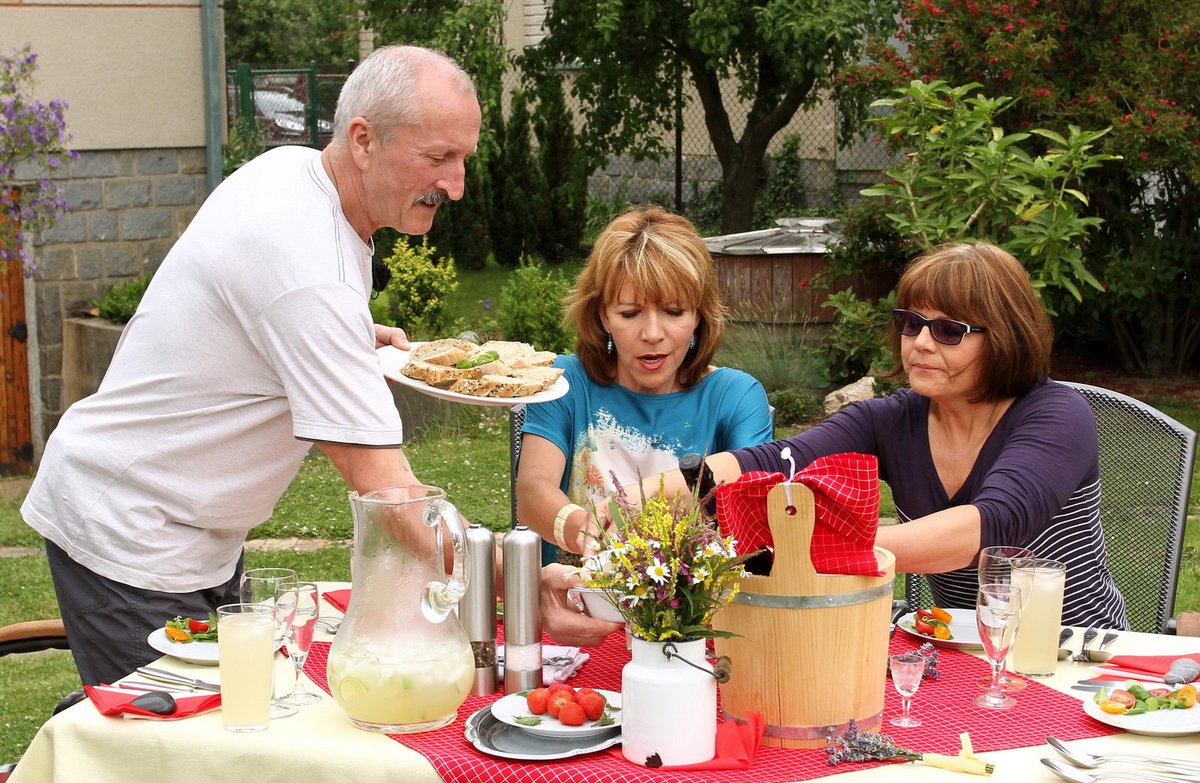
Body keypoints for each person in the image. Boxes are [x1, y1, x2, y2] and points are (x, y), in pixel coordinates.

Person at [22, 45, 616, 687]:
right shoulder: (308, 271)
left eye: (463, 157)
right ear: (363, 139)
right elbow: (394, 499)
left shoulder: (295, 172)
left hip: (193, 536)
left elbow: (258, 320)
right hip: (130, 534)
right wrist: (518, 579)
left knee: (229, 725)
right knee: (170, 754)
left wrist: (350, 337)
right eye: (438, 157)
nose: (456, 185)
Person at [634, 241, 1129, 629]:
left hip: (1075, 651)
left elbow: (984, 530)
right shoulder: (892, 419)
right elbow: (775, 459)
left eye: (949, 331)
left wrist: (818, 549)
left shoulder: (1058, 414)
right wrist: (656, 497)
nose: (920, 343)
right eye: (911, 323)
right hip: (957, 648)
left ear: (1004, 337)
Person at [516, 206, 774, 564]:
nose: (652, 334)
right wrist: (582, 529)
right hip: (568, 610)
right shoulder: (561, 382)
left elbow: (753, 513)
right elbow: (531, 492)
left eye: (674, 311)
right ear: (603, 315)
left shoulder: (737, 396)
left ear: (699, 315)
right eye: (630, 313)